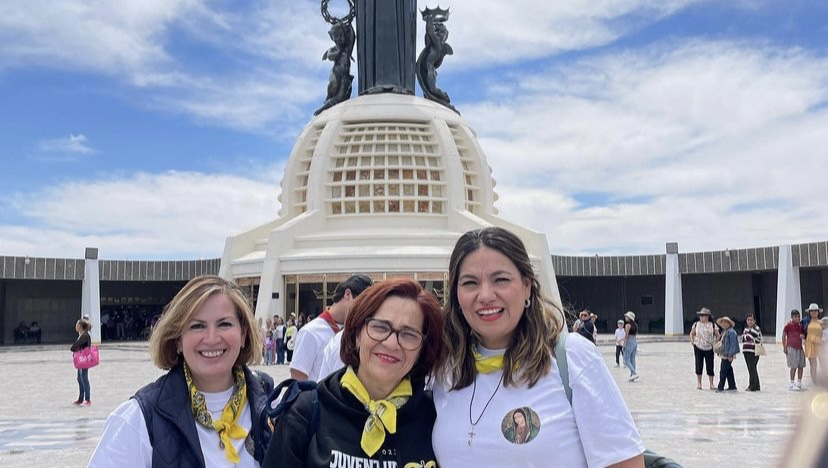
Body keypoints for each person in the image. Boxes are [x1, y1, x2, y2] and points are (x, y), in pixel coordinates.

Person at [432, 227, 644, 467]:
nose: (485, 295)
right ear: (456, 295)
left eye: (500, 279)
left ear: (527, 286)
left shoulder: (571, 358)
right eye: (470, 283)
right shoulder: (445, 370)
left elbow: (625, 462)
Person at [88, 275, 273, 467]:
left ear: (243, 334)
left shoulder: (272, 406)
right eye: (197, 326)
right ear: (178, 340)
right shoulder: (138, 420)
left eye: (224, 324)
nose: (211, 338)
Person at [262, 278, 444, 467]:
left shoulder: (435, 416)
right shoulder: (305, 413)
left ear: (422, 348)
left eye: (409, 334)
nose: (391, 343)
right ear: (357, 333)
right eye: (380, 327)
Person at [290, 274, 373, 381]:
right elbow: (298, 380)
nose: (364, 310)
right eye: (362, 303)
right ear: (347, 294)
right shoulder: (310, 332)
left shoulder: (357, 333)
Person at [689, 307, 719, 390]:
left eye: (703, 315)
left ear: (708, 316)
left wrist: (715, 343)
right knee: (699, 364)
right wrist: (692, 341)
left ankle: (711, 383)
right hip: (698, 346)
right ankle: (699, 383)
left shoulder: (712, 325)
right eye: (701, 315)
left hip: (709, 348)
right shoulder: (696, 324)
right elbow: (692, 333)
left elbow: (718, 335)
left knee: (710, 365)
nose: (701, 317)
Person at [70, 318, 93, 406]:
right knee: (80, 379)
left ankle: (87, 399)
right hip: (81, 360)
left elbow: (74, 347)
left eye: (77, 324)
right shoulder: (81, 335)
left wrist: (74, 348)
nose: (76, 326)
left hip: (84, 359)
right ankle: (80, 398)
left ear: (81, 326)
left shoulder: (85, 336)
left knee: (84, 379)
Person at [783, 309, 807, 391]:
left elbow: (803, 334)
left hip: (799, 347)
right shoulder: (788, 325)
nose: (797, 318)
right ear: (792, 317)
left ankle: (799, 382)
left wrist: (803, 337)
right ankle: (791, 383)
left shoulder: (800, 326)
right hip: (791, 347)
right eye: (795, 317)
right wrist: (784, 347)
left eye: (798, 317)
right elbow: (783, 336)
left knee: (801, 365)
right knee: (793, 366)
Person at [715, 316, 740, 392]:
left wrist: (730, 354)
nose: (724, 324)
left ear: (729, 324)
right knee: (728, 370)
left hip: (728, 354)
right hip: (724, 353)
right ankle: (732, 385)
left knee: (723, 370)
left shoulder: (731, 332)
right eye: (722, 322)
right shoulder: (724, 331)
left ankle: (720, 386)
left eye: (726, 322)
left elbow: (733, 344)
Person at [740, 314, 763, 392]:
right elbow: (742, 339)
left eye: (751, 320)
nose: (749, 321)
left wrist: (745, 336)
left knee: (752, 368)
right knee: (751, 368)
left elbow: (748, 337)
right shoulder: (746, 328)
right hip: (746, 350)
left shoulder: (756, 328)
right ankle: (756, 385)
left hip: (753, 351)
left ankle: (752, 386)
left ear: (755, 321)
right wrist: (745, 337)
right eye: (748, 320)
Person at [804, 303, 823, 385]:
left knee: (823, 362)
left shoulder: (822, 322)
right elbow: (800, 329)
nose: (814, 312)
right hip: (810, 344)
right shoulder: (806, 321)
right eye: (812, 311)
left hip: (820, 344)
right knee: (813, 365)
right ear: (810, 312)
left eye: (816, 311)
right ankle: (814, 381)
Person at [623, 311, 639, 381]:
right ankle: (632, 375)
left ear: (629, 318)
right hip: (634, 342)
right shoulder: (635, 325)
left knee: (626, 360)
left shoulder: (627, 325)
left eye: (626, 316)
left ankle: (634, 373)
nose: (625, 317)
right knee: (632, 359)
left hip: (629, 341)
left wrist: (624, 344)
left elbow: (626, 336)